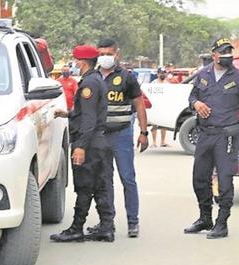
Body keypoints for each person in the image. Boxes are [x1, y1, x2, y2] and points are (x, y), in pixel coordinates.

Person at [184, 38, 239, 239]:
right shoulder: (203, 74)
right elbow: (191, 97)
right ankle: (205, 217)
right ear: (214, 54)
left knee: (225, 180)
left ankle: (222, 222)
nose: (227, 55)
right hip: (205, 134)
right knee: (199, 178)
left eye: (229, 51)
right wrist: (196, 104)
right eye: (223, 51)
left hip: (226, 135)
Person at [50, 45, 115, 242]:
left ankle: (77, 228)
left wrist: (80, 146)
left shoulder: (88, 85)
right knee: (100, 185)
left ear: (82, 62)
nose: (74, 64)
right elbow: (87, 114)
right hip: (98, 141)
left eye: (76, 61)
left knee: (85, 185)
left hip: (89, 143)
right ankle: (106, 227)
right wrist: (69, 114)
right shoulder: (96, 80)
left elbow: (89, 119)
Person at [91, 38, 148, 238]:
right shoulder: (93, 77)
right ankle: (107, 223)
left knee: (127, 179)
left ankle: (133, 222)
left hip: (122, 134)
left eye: (109, 53)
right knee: (104, 181)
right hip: (100, 136)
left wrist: (143, 132)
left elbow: (139, 104)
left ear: (117, 54)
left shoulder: (127, 77)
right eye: (102, 53)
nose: (105, 57)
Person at [151, 67, 171, 148]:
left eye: (164, 73)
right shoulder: (153, 84)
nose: (163, 74)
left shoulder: (167, 84)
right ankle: (154, 142)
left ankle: (163, 142)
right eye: (161, 73)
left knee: (163, 125)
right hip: (155, 107)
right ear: (158, 74)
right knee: (154, 125)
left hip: (164, 107)